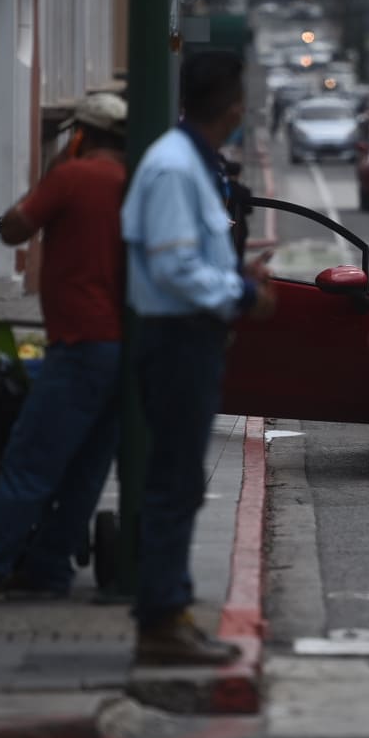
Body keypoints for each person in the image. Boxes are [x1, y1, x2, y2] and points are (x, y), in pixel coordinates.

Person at [0, 93, 129, 603]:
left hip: (79, 343)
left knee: (29, 461)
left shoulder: (73, 177)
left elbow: (12, 229)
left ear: (81, 134)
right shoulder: (138, 183)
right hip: (123, 349)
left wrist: (57, 167)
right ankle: (48, 570)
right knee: (85, 472)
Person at [123, 51, 276, 665]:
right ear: (233, 106)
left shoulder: (191, 163)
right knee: (173, 483)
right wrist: (240, 292)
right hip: (175, 339)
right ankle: (161, 620)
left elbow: (191, 258)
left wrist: (234, 274)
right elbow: (175, 266)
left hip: (191, 338)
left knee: (181, 482)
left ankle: (172, 611)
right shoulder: (173, 168)